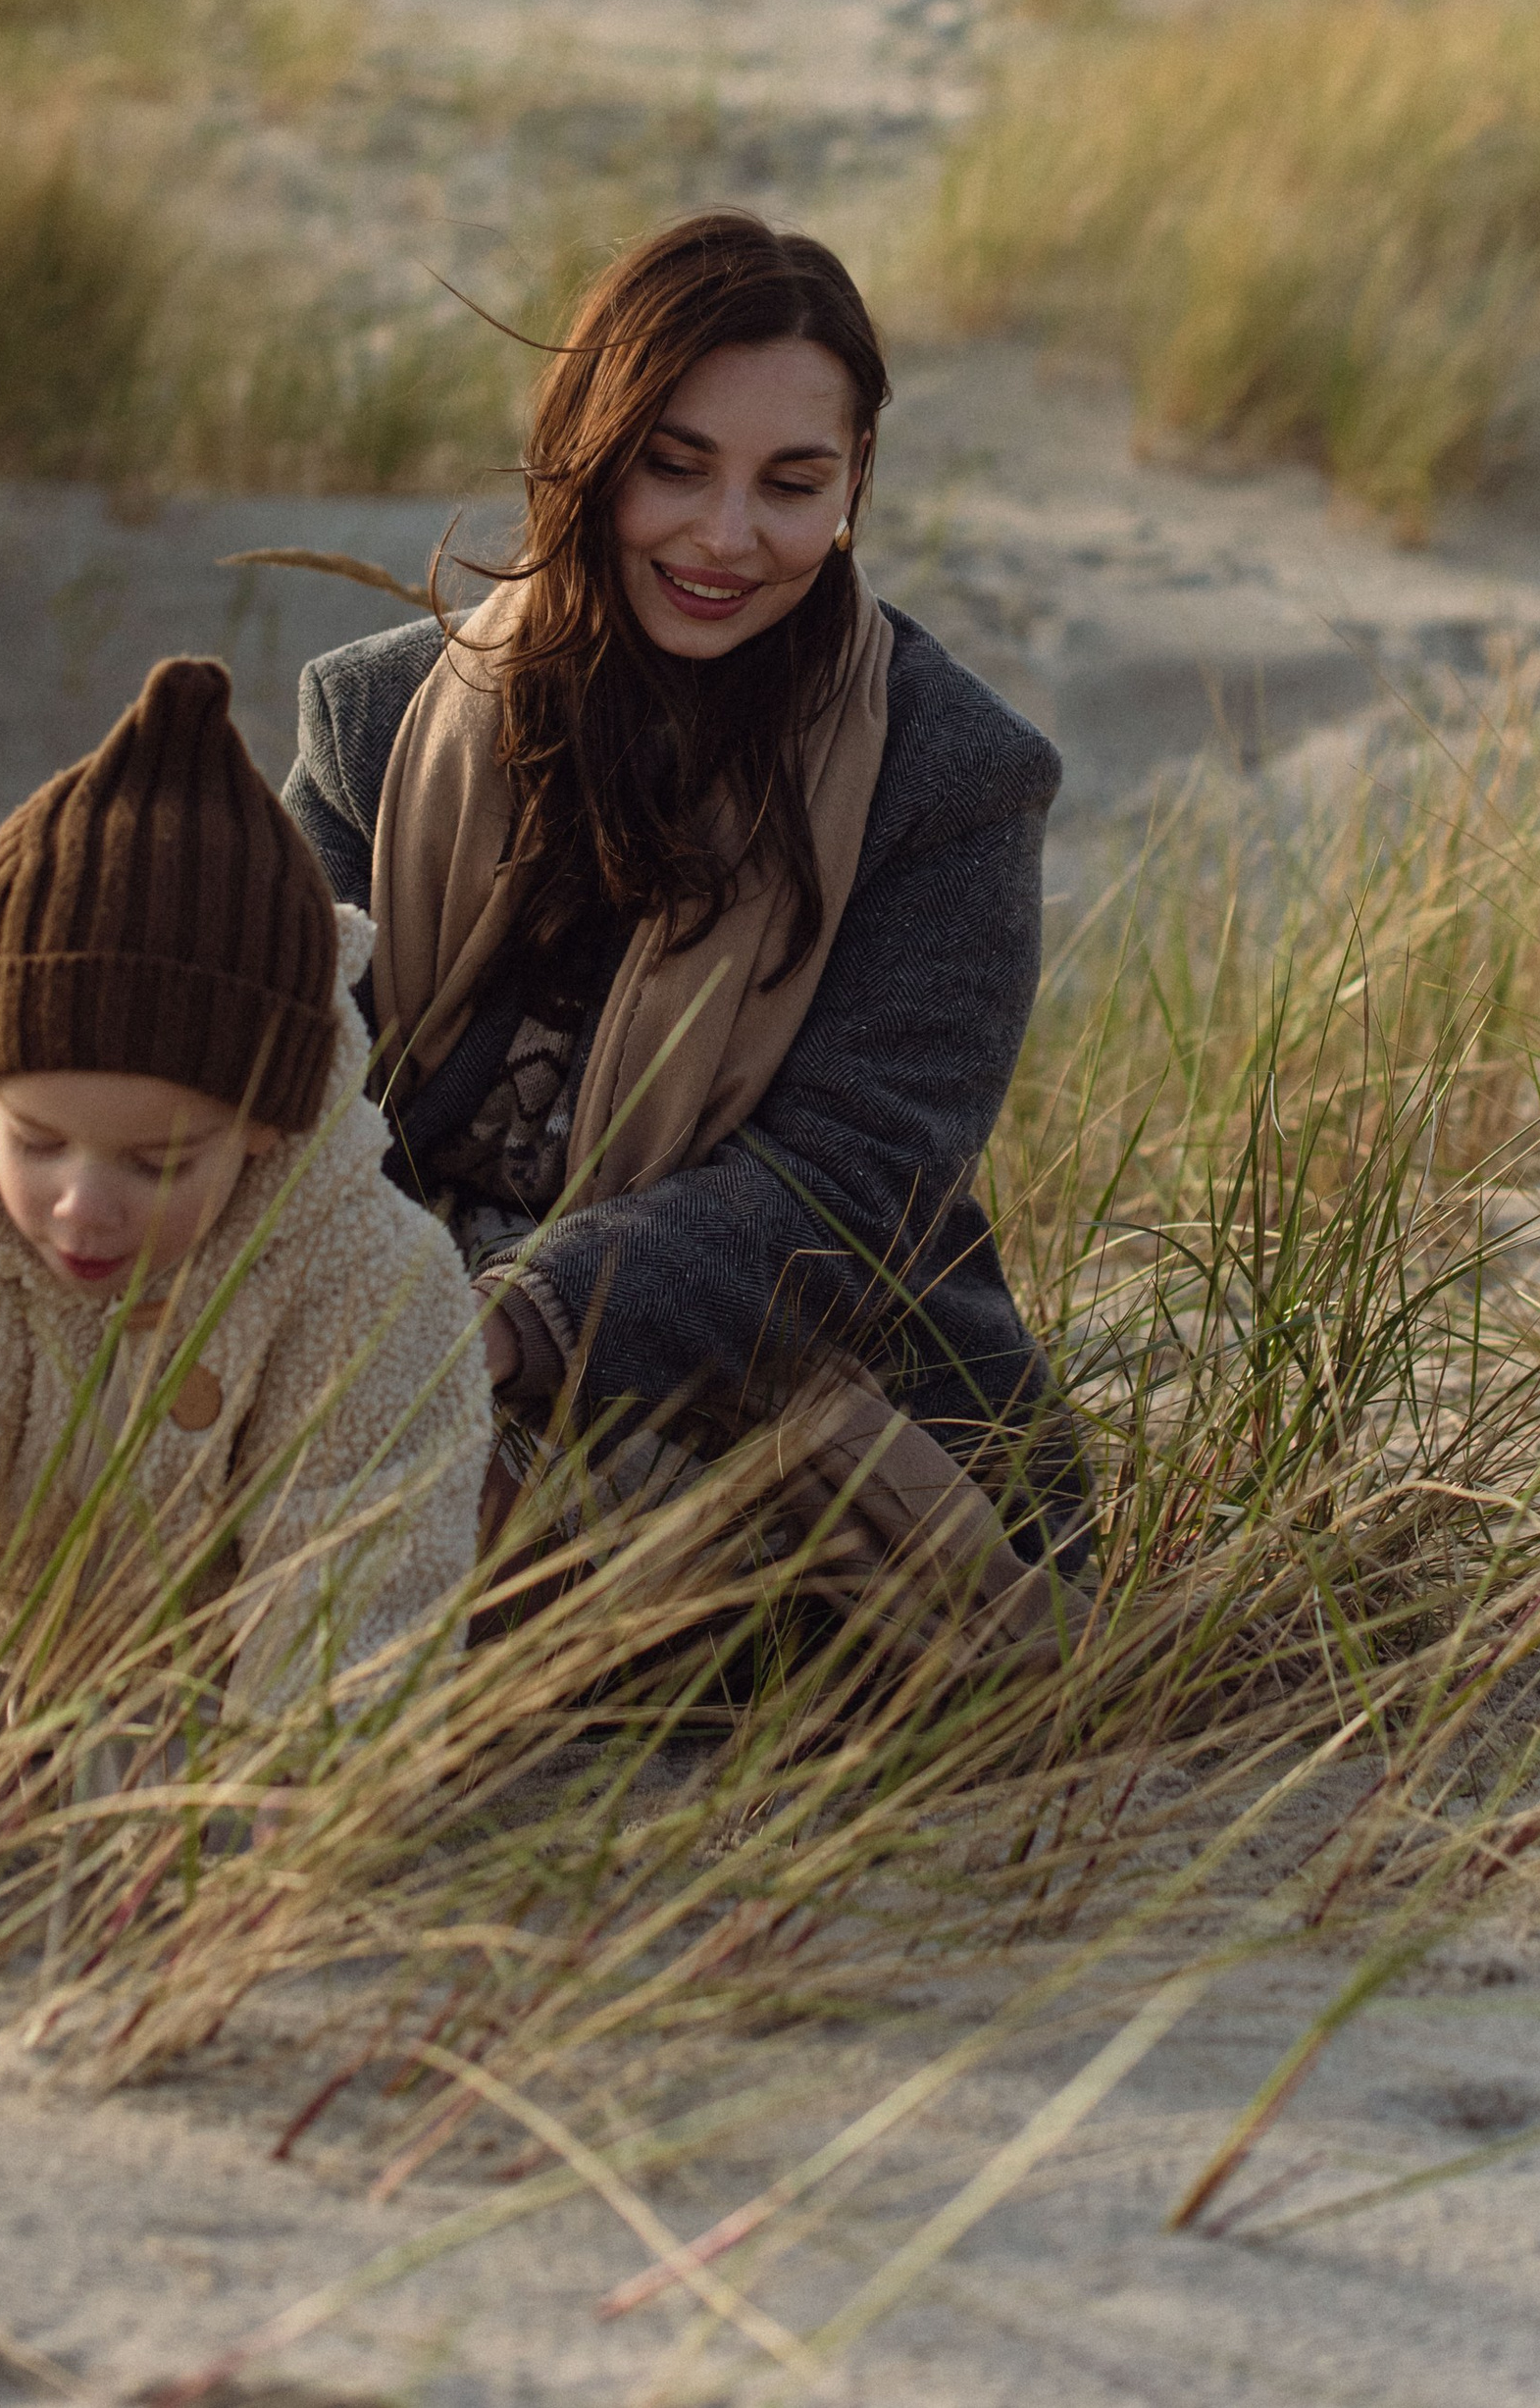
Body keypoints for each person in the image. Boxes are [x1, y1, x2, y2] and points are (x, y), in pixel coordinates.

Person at [282, 208, 1089, 1657]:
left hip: (789, 1403)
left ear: (855, 482)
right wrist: (387, 1350)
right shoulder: (372, 720)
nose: (727, 538)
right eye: (674, 465)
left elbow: (846, 1193)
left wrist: (502, 1339)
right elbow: (281, 1093)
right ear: (592, 452)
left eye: (792, 482)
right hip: (380, 1348)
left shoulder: (952, 776)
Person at [0, 657, 488, 1908]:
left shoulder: (367, 1269)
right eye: (39, 1139)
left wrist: (295, 1805)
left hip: (227, 1697)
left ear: (265, 1124)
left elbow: (363, 1544)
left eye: (159, 1160)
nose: (83, 1202)